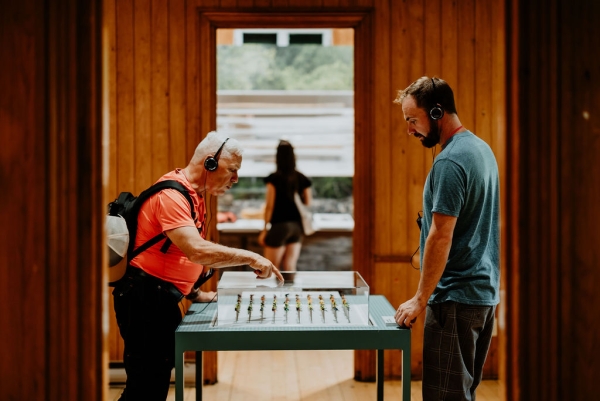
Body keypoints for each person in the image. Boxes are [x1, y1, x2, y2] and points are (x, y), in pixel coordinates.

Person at [112, 131, 284, 401]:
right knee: (144, 387)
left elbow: (176, 254)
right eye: (233, 170)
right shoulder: (171, 195)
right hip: (143, 299)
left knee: (154, 383)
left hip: (159, 298)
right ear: (210, 164)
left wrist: (196, 293)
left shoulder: (195, 195)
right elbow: (195, 250)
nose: (236, 179)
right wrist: (251, 257)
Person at [393, 76, 500, 401]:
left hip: (455, 299)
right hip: (483, 295)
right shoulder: (481, 149)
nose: (410, 130)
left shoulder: (450, 161)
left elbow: (441, 236)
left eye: (413, 120)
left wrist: (420, 299)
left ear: (437, 113)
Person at [257, 140, 313, 271]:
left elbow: (269, 206)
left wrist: (264, 230)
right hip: (297, 227)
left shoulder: (274, 179)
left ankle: (271, 292)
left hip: (279, 226)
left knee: (270, 268)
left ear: (278, 158)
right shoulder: (301, 178)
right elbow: (308, 202)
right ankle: (290, 291)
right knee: (290, 266)